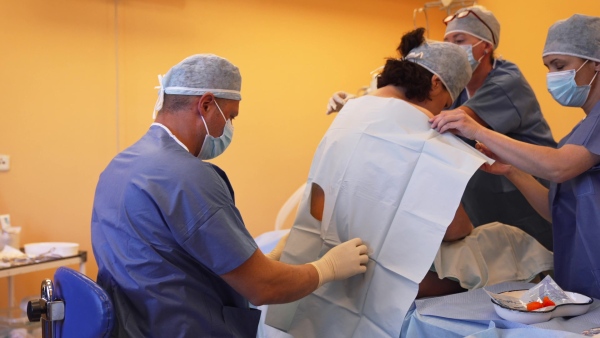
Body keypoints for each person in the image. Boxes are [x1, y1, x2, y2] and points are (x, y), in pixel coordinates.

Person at [91, 54, 369, 337]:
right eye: (231, 116)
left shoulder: (121, 165)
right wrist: (328, 267)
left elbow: (166, 255)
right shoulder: (187, 177)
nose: (229, 128)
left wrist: (264, 258)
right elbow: (264, 287)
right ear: (207, 104)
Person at [327, 6, 557, 251]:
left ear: (486, 46)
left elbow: (446, 121)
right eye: (447, 41)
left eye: (459, 40)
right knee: (500, 252)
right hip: (483, 192)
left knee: (538, 257)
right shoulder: (455, 88)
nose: (453, 48)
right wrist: (368, 102)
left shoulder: (506, 82)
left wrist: (369, 105)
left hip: (526, 191)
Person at [431, 13, 600, 299]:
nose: (552, 76)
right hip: (582, 271)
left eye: (560, 66)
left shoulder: (590, 130)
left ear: (595, 62)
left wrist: (478, 130)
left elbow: (559, 168)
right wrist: (512, 170)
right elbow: (556, 209)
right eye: (548, 67)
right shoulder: (580, 131)